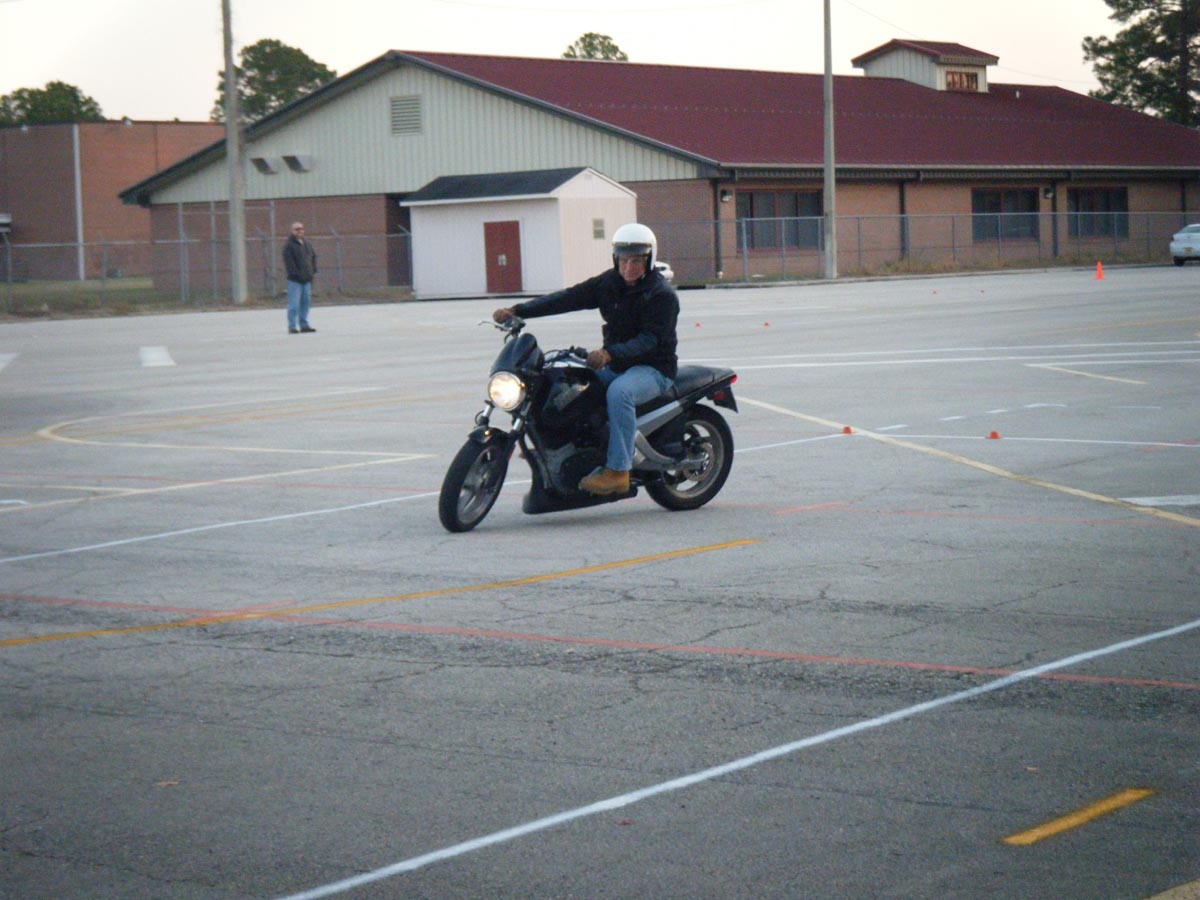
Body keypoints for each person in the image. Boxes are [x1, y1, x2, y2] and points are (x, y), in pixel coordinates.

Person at [493, 222, 679, 496]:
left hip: (653, 368)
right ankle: (559, 449)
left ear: (649, 260)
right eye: (623, 260)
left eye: (636, 261)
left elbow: (650, 340)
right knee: (567, 383)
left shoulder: (661, 295)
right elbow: (569, 297)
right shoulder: (610, 283)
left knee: (619, 393)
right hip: (616, 364)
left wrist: (609, 353)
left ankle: (618, 471)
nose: (628, 267)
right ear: (615, 258)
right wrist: (519, 310)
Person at [282, 222, 317, 334]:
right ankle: (292, 326)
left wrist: (312, 271)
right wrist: (296, 275)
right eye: (297, 229)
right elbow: (289, 263)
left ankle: (304, 324)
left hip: (307, 279)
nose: (299, 231)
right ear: (292, 231)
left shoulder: (307, 244)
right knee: (294, 304)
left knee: (305, 303)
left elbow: (313, 258)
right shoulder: (289, 245)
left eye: (301, 229)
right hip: (295, 281)